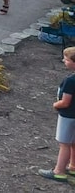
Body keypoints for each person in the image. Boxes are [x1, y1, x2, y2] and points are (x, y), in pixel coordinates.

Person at [39, 47, 75, 181]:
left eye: (66, 59)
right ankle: (73, 167)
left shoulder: (70, 81)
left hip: (68, 116)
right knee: (73, 142)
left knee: (64, 143)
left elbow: (65, 102)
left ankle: (59, 171)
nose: (63, 61)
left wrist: (55, 104)